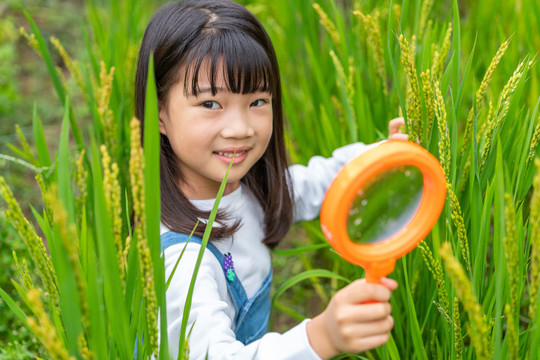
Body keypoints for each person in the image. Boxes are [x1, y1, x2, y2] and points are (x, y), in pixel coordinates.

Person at [135, 1, 406, 359]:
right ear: (159, 114)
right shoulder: (180, 260)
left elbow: (312, 185)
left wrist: (382, 155)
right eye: (211, 104)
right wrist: (319, 336)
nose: (240, 129)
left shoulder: (242, 190)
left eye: (258, 101)